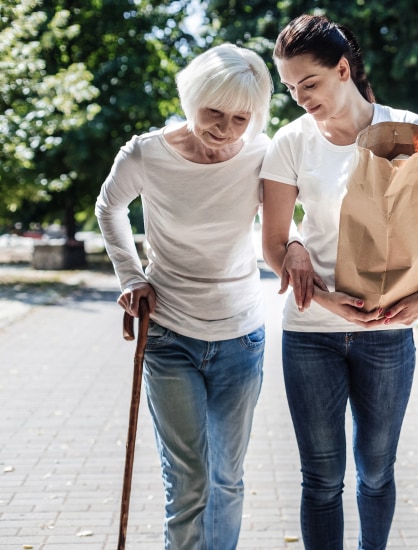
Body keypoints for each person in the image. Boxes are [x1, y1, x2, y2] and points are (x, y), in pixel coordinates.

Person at [260, 14, 418, 550]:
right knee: (320, 480)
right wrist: (328, 300)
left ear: (343, 69)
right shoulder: (290, 143)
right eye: (290, 88)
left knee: (376, 473)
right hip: (310, 332)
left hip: (388, 333)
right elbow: (273, 241)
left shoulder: (406, 129)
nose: (299, 98)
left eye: (309, 83)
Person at [95, 43, 273, 549]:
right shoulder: (146, 153)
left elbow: (282, 224)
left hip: (241, 336)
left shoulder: (262, 153)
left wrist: (296, 245)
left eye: (241, 118)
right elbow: (109, 207)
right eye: (213, 112)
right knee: (189, 481)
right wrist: (131, 276)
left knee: (226, 479)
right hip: (169, 336)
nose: (225, 128)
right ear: (190, 97)